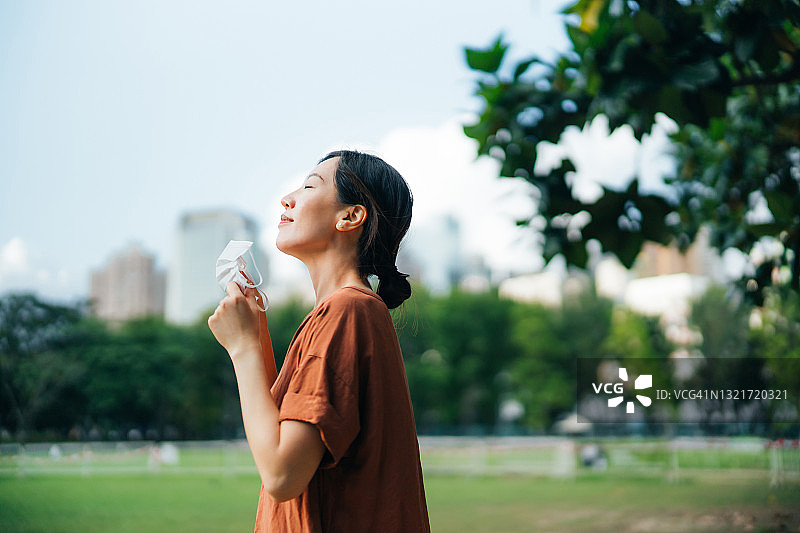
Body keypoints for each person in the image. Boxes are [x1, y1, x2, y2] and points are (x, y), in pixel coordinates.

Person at [208, 150, 430, 532]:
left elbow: (282, 474)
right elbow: (281, 431)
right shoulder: (343, 312)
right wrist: (257, 337)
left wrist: (242, 348)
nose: (287, 199)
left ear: (351, 216)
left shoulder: (347, 311)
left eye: (309, 186)